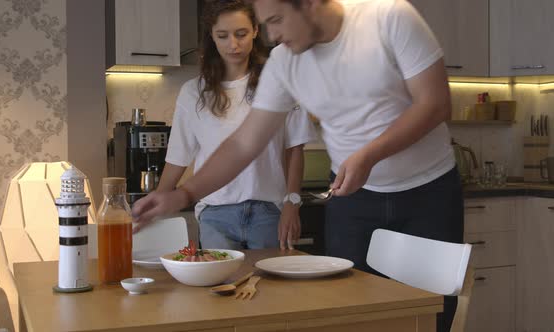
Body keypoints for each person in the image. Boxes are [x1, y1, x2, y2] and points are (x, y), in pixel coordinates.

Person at [133, 1, 462, 330]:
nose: (272, 35)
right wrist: (183, 194)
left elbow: (435, 103)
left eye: (276, 20)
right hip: (352, 201)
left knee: (431, 315)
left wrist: (369, 155)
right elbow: (244, 143)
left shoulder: (389, 16)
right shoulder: (284, 61)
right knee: (352, 315)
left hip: (428, 192)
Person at [134, 0, 316, 251]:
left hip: (268, 212)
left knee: (269, 288)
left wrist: (291, 203)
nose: (233, 44)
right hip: (214, 215)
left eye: (241, 34)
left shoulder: (277, 82)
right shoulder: (193, 93)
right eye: (223, 36)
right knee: (220, 286)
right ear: (212, 36)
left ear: (255, 29)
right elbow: (178, 157)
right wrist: (155, 206)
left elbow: (294, 148)